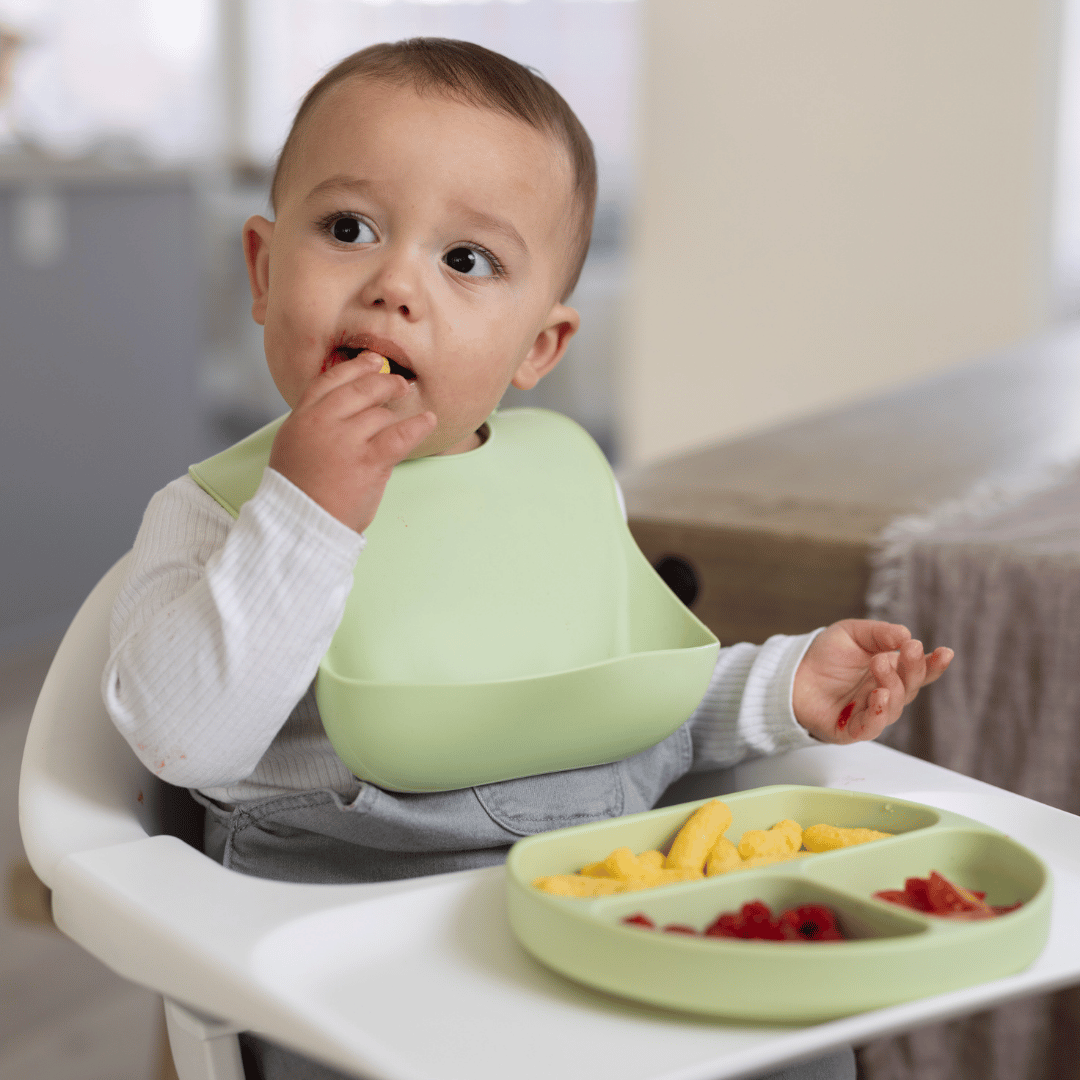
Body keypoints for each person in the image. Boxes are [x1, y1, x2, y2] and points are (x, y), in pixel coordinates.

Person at [102, 38, 952, 1080]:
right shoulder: (214, 516)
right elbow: (182, 742)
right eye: (349, 229)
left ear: (538, 349)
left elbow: (612, 699)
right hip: (363, 956)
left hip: (610, 905)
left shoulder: (560, 479)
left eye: (467, 260)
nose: (394, 286)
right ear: (265, 273)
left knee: (809, 1047)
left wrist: (779, 686)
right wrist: (309, 514)